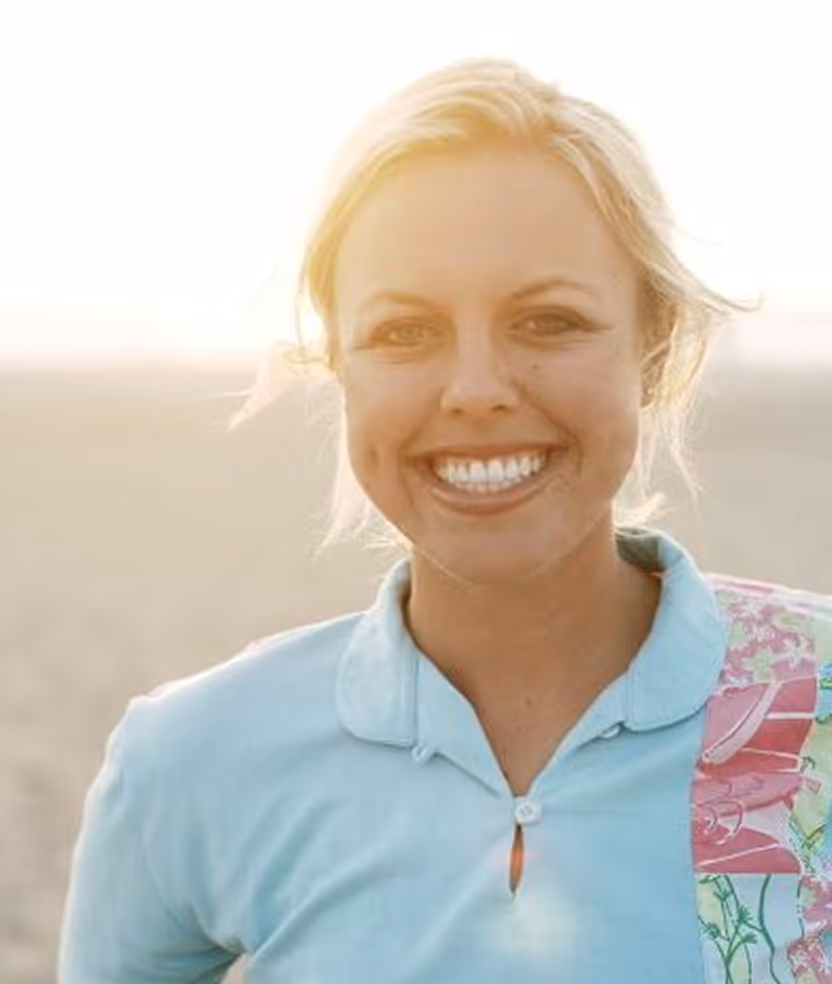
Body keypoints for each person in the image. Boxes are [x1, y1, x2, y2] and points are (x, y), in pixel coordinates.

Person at [59, 57, 832, 983]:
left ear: (654, 347)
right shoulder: (189, 760)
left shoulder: (812, 697)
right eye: (404, 331)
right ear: (340, 367)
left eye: (548, 321)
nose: (474, 391)